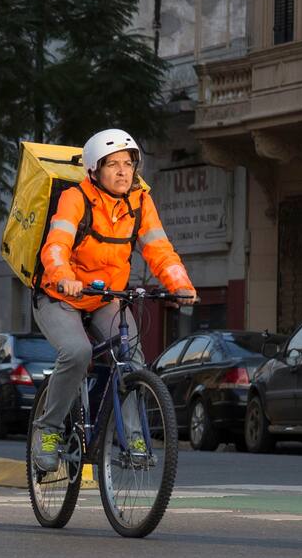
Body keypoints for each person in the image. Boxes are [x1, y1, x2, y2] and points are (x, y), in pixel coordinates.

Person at [30, 128, 197, 472]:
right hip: (59, 295)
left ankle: (133, 436)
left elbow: (159, 250)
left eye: (128, 163)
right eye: (113, 165)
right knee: (78, 352)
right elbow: (56, 245)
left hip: (106, 296)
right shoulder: (76, 198)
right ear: (94, 170)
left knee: (131, 356)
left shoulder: (140, 202)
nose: (123, 172)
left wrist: (180, 285)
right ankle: (47, 430)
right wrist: (65, 278)